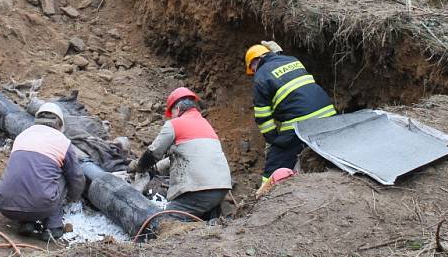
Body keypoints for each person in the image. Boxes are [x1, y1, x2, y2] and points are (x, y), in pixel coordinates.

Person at [134, 87, 232, 220]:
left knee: (165, 222)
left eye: (171, 113)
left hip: (199, 191)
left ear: (177, 109)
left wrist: (140, 167)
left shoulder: (174, 124)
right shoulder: (205, 124)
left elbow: (153, 152)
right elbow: (190, 156)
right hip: (221, 188)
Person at [0, 102, 85, 240]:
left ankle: (27, 223)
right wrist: (72, 197)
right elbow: (76, 177)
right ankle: (53, 227)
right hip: (41, 207)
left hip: (5, 206)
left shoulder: (22, 135)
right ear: (60, 124)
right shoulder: (62, 141)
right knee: (63, 175)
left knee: (29, 171)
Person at [245, 43, 336, 180]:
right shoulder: (293, 60)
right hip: (329, 115)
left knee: (276, 162)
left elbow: (263, 118)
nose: (253, 72)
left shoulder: (261, 76)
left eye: (252, 68)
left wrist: (275, 140)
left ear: (254, 61)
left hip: (301, 122)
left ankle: (265, 194)